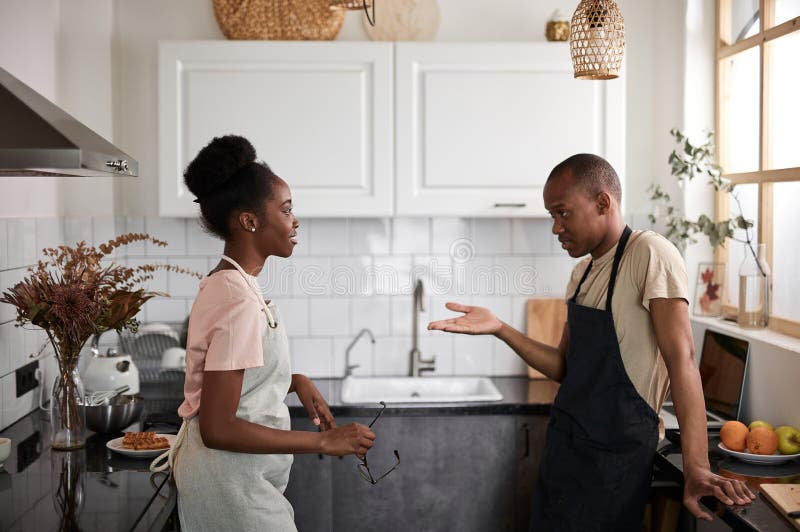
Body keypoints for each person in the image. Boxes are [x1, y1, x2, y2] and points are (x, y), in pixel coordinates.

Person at [428, 154, 756, 531]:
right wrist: (501, 328)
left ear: (603, 203)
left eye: (562, 213)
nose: (555, 228)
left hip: (614, 465)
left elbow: (682, 359)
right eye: (552, 215)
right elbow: (563, 367)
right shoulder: (581, 274)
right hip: (565, 456)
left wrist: (697, 467)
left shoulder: (649, 254)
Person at [150, 135, 375, 531]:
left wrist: (295, 381)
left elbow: (235, 382)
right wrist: (323, 441)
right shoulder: (236, 298)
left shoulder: (232, 284)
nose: (295, 220)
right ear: (249, 220)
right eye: (287, 209)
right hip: (229, 487)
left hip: (236, 481)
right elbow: (218, 427)